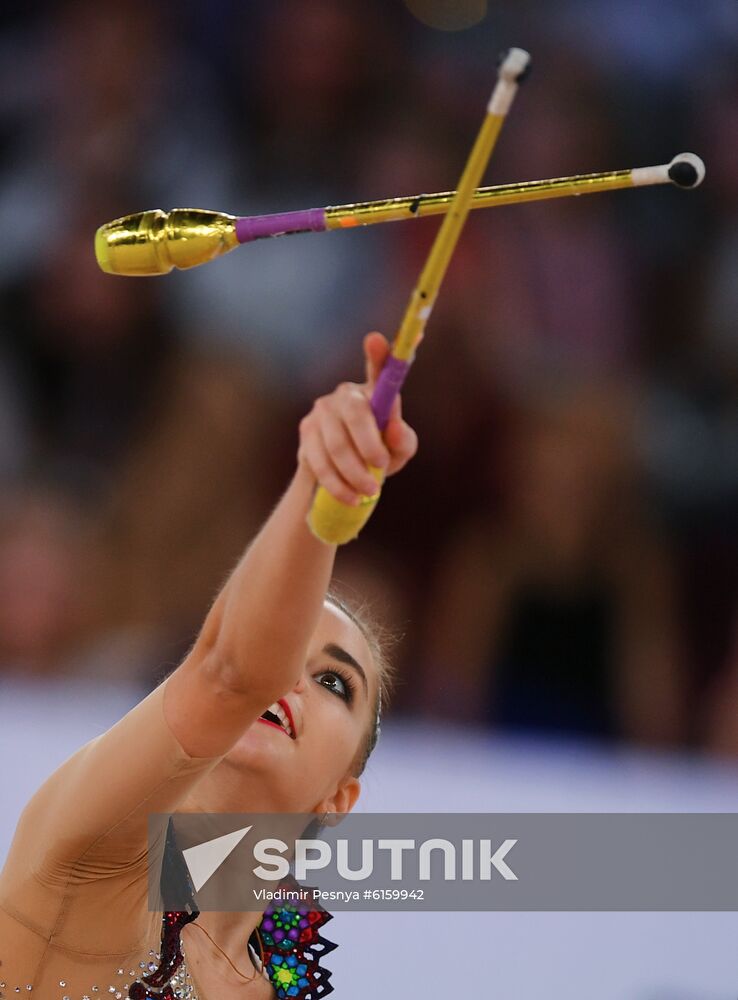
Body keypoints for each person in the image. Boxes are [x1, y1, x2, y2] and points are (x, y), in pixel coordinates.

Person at [0, 332, 418, 999]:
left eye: (333, 680)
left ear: (340, 795)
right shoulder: (92, 856)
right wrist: (320, 487)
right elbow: (232, 674)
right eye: (284, 649)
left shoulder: (286, 980)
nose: (289, 678)